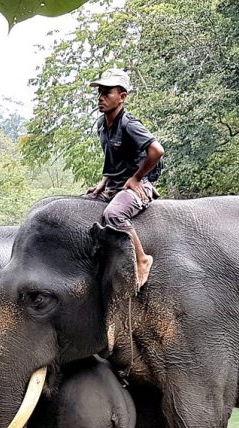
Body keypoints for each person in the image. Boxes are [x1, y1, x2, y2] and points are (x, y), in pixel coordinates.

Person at [85, 68, 164, 288]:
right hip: (114, 185)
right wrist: (104, 182)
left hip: (136, 186)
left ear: (122, 96)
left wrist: (137, 177)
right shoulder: (103, 124)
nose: (100, 98)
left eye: (107, 93)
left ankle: (141, 259)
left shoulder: (129, 124)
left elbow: (157, 150)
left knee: (114, 214)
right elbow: (113, 159)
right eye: (99, 93)